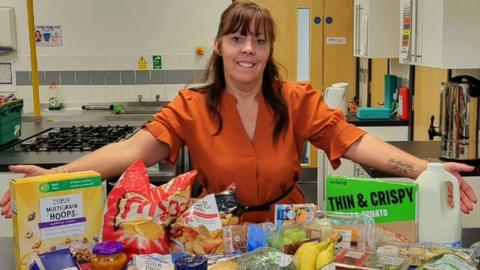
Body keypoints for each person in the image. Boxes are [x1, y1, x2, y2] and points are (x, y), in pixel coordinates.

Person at [0, 1, 477, 222]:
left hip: (288, 232)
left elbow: (356, 141)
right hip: (213, 230)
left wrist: (425, 169)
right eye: (237, 37)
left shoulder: (296, 99)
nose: (248, 49)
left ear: (269, 49)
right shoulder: (191, 106)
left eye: (259, 39)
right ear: (220, 45)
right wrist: (54, 175)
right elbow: (128, 153)